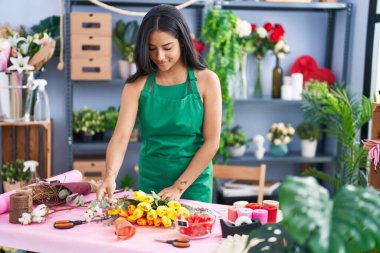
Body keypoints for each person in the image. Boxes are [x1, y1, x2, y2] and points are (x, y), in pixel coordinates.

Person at [97, 4, 222, 203]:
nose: (160, 57)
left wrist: (178, 187)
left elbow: (211, 143)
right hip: (152, 183)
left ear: (182, 41)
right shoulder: (135, 86)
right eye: (152, 49)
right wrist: (110, 175)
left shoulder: (207, 81)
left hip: (193, 185)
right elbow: (120, 138)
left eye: (167, 47)